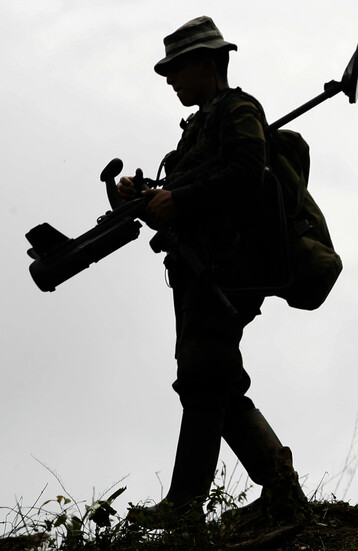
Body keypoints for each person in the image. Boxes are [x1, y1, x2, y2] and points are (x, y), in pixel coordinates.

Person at [120, 16, 306, 527]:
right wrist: (145, 195)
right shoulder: (199, 128)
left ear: (208, 63)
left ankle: (184, 507)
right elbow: (193, 188)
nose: (170, 80)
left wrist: (178, 199)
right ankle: (283, 493)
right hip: (200, 272)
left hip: (229, 270)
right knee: (214, 379)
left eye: (177, 69)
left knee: (204, 379)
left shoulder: (239, 109)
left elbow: (247, 173)